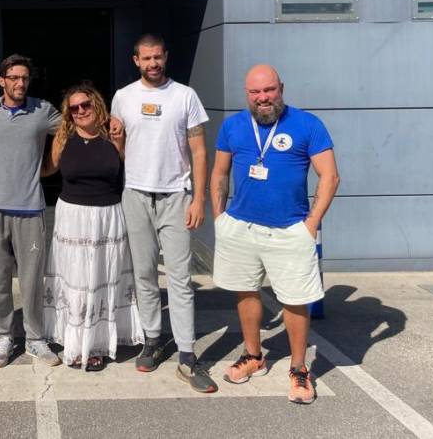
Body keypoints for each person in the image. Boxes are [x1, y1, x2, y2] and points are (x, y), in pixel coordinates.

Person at [210, 64, 339, 405]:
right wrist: (220, 217)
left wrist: (311, 223)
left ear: (281, 87)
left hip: (290, 229)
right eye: (256, 92)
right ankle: (254, 356)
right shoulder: (233, 125)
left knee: (296, 299)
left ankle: (299, 369)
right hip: (241, 227)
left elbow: (330, 177)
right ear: (246, 94)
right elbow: (219, 173)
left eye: (269, 90)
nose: (263, 98)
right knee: (246, 291)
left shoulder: (307, 124)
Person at [110, 33, 217, 393]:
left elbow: (199, 150)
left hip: (176, 195)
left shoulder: (185, 95)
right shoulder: (123, 97)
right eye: (146, 58)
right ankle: (153, 339)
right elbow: (121, 148)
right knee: (143, 274)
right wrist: (117, 139)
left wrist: (198, 198)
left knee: (181, 278)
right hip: (136, 193)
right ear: (135, 60)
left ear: (165, 57)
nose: (153, 64)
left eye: (158, 57)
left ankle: (187, 354)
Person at [41, 83, 144, 371]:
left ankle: (97, 344)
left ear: (96, 104)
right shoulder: (63, 138)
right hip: (72, 218)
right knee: (75, 281)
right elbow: (44, 169)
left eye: (85, 104)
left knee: (102, 278)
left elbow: (132, 165)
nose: (80, 111)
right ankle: (74, 341)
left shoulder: (114, 135)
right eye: (74, 108)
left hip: (108, 217)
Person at [0, 54, 62, 368]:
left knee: (32, 279)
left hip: (29, 209)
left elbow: (72, 128)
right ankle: (3, 336)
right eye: (13, 77)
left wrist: (52, 165)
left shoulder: (42, 110)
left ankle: (36, 339)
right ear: (1, 80)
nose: (20, 83)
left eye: (24, 77)